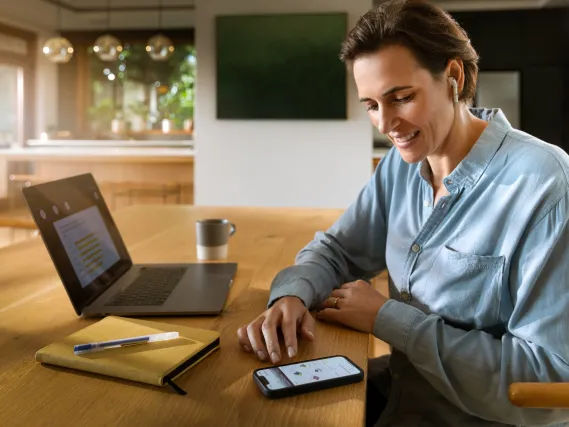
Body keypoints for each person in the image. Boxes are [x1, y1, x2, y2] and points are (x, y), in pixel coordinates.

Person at [237, 0, 569, 425]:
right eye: (372, 105)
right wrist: (292, 295)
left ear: (453, 77)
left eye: (402, 98)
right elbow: (339, 250)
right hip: (403, 392)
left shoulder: (544, 184)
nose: (386, 124)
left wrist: (387, 318)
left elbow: (548, 381)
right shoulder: (404, 162)